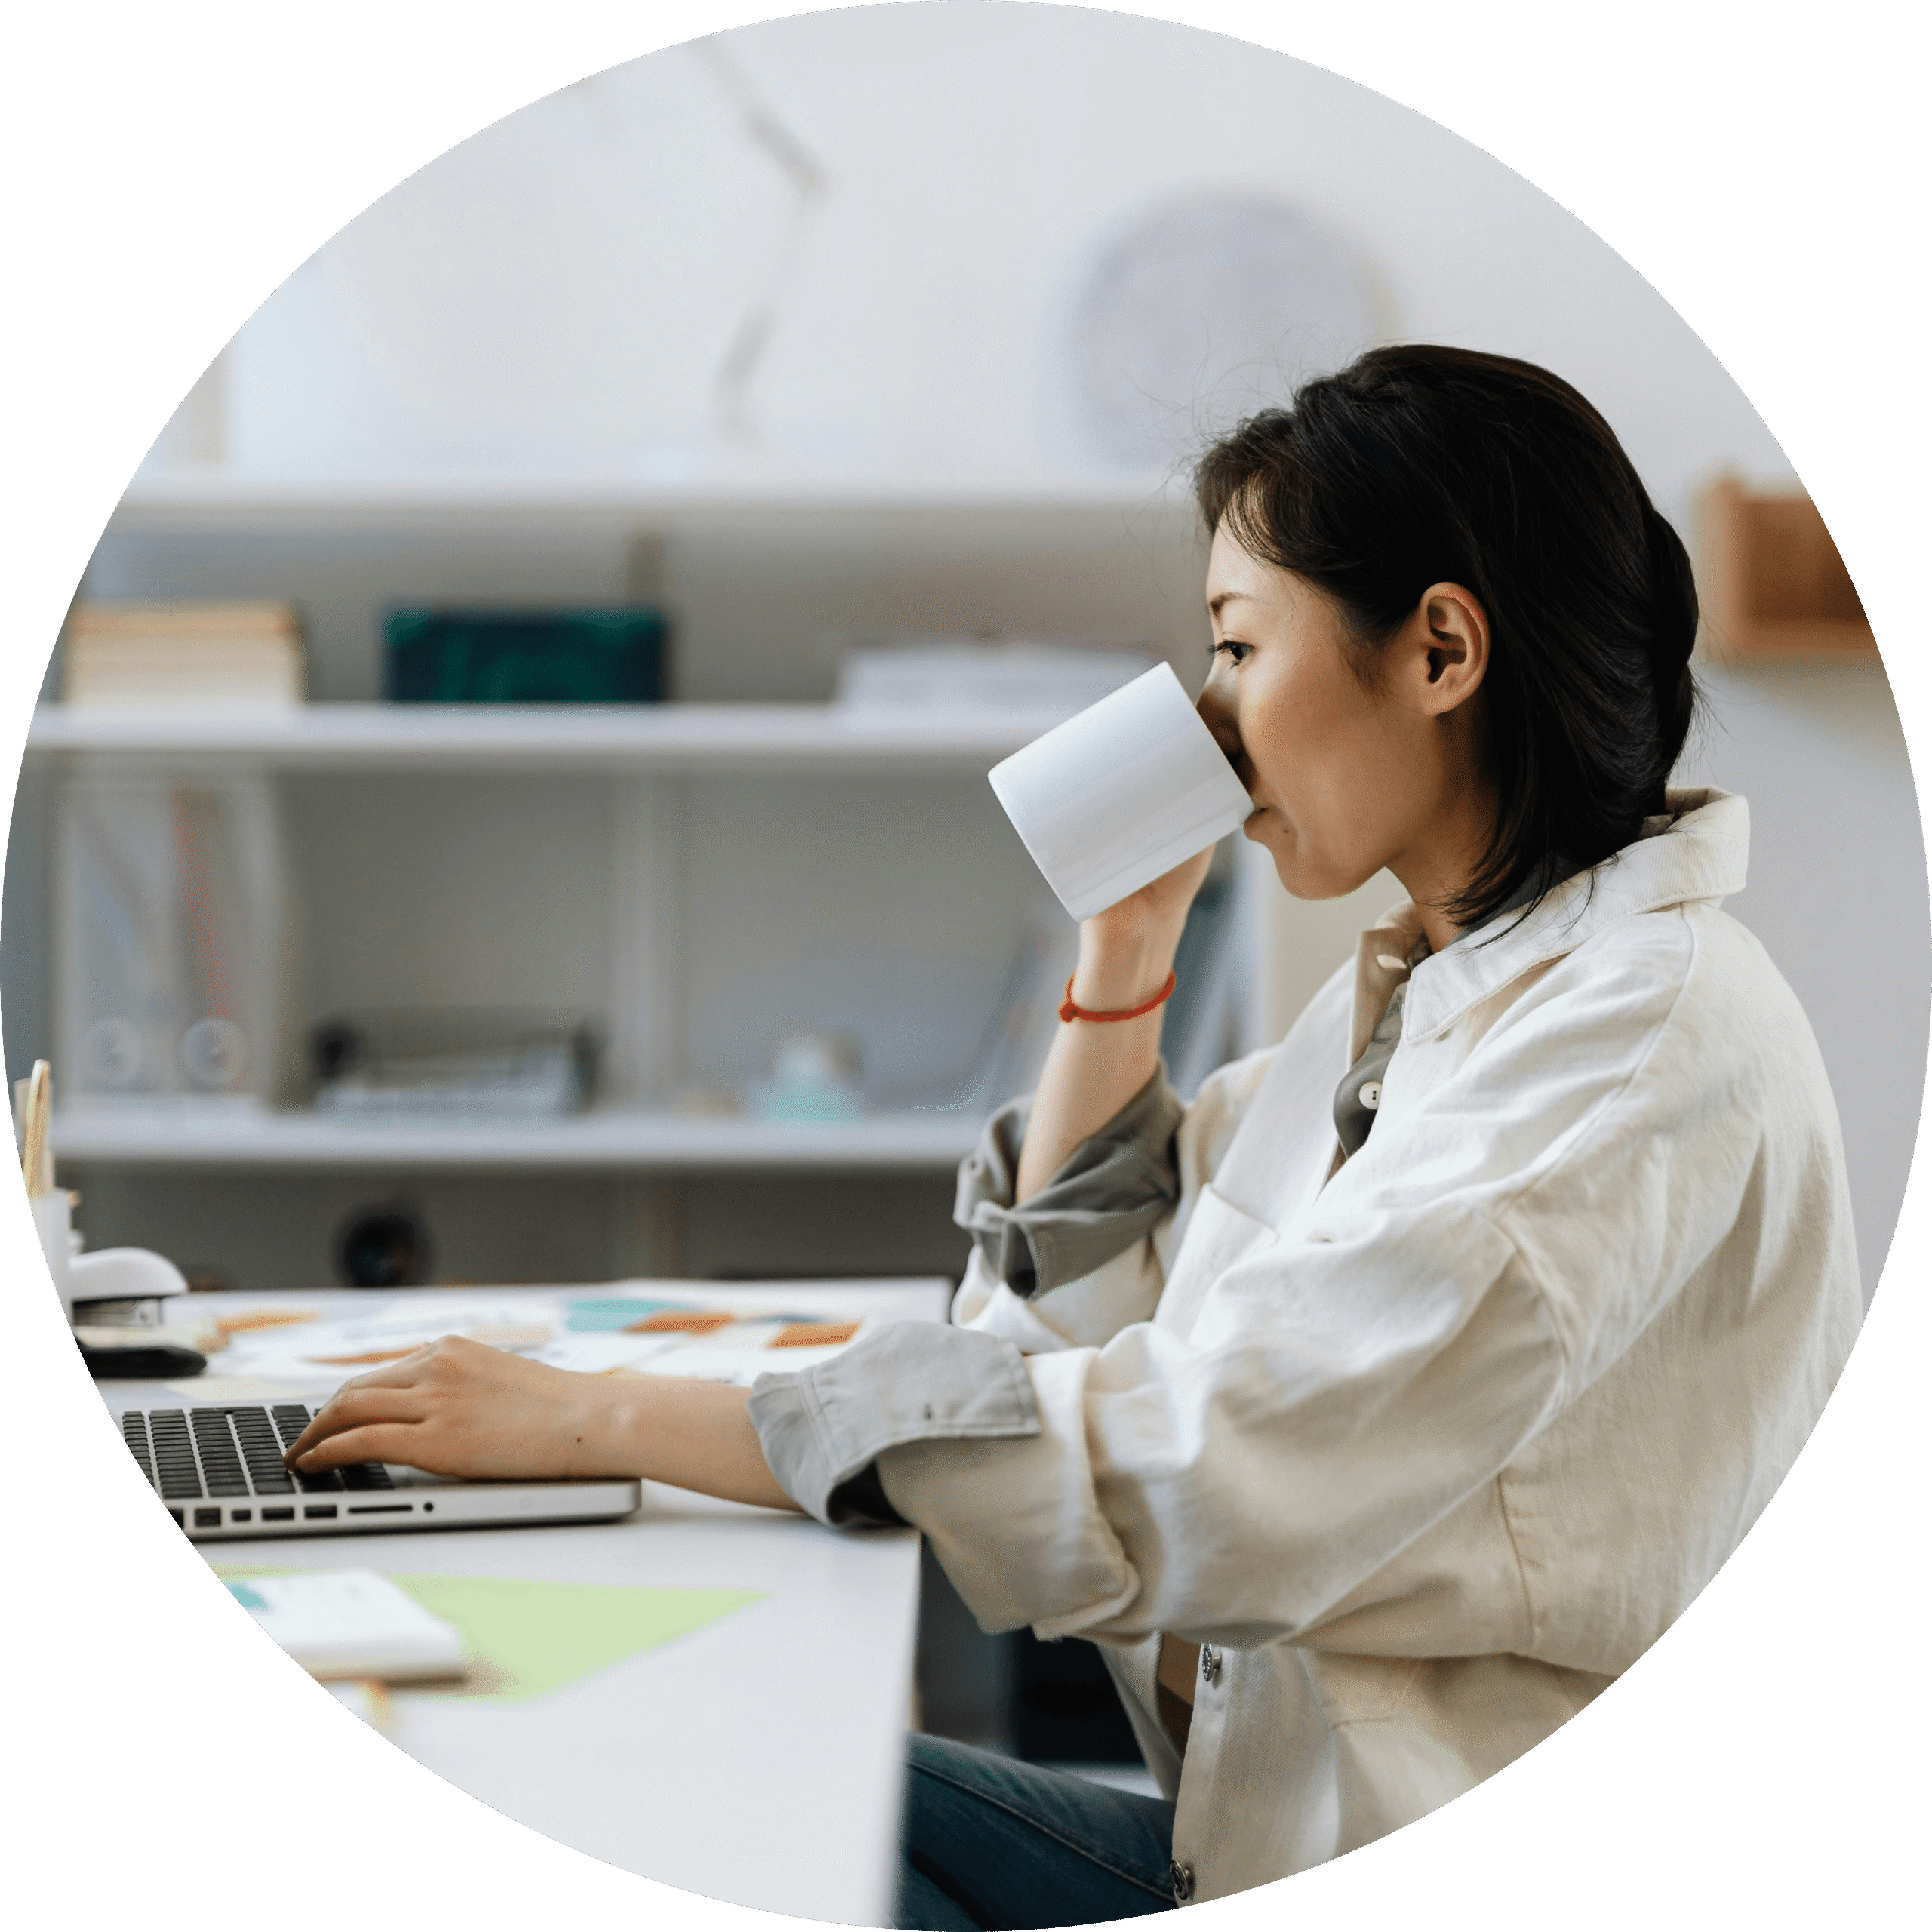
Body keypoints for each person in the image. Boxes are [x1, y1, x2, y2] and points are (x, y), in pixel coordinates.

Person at [286, 346, 1863, 1926]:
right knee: (723, 1782)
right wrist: (1126, 941)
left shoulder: (1635, 1041)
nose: (1211, 721)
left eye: (1235, 645)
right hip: (1241, 1836)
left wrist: (599, 1419)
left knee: (727, 1815)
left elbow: (1199, 1461)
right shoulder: (1428, 991)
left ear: (1440, 649)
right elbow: (1077, 1299)